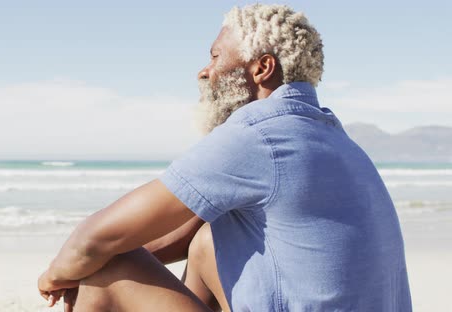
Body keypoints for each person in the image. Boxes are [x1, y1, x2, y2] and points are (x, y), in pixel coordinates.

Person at [38, 3, 412, 311]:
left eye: (216, 56)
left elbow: (93, 238)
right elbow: (183, 233)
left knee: (108, 266)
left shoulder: (258, 134)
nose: (205, 71)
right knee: (206, 243)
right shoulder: (330, 134)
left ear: (261, 68)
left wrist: (57, 275)